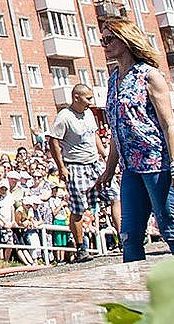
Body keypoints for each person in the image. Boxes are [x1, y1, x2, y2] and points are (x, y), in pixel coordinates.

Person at [96, 19, 174, 261]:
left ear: (126, 40)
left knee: (170, 229)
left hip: (158, 165)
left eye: (110, 39)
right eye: (102, 40)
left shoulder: (149, 76)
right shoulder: (113, 80)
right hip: (131, 169)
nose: (105, 45)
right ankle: (137, 293)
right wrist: (108, 170)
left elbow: (169, 125)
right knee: (129, 236)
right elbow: (117, 130)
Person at [46, 84, 121, 261]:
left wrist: (104, 155)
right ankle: (81, 248)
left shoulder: (88, 113)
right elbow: (53, 142)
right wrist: (61, 167)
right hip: (75, 165)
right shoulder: (64, 117)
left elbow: (93, 135)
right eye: (87, 98)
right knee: (78, 208)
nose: (90, 102)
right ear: (76, 98)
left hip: (94, 163)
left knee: (114, 196)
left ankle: (123, 239)